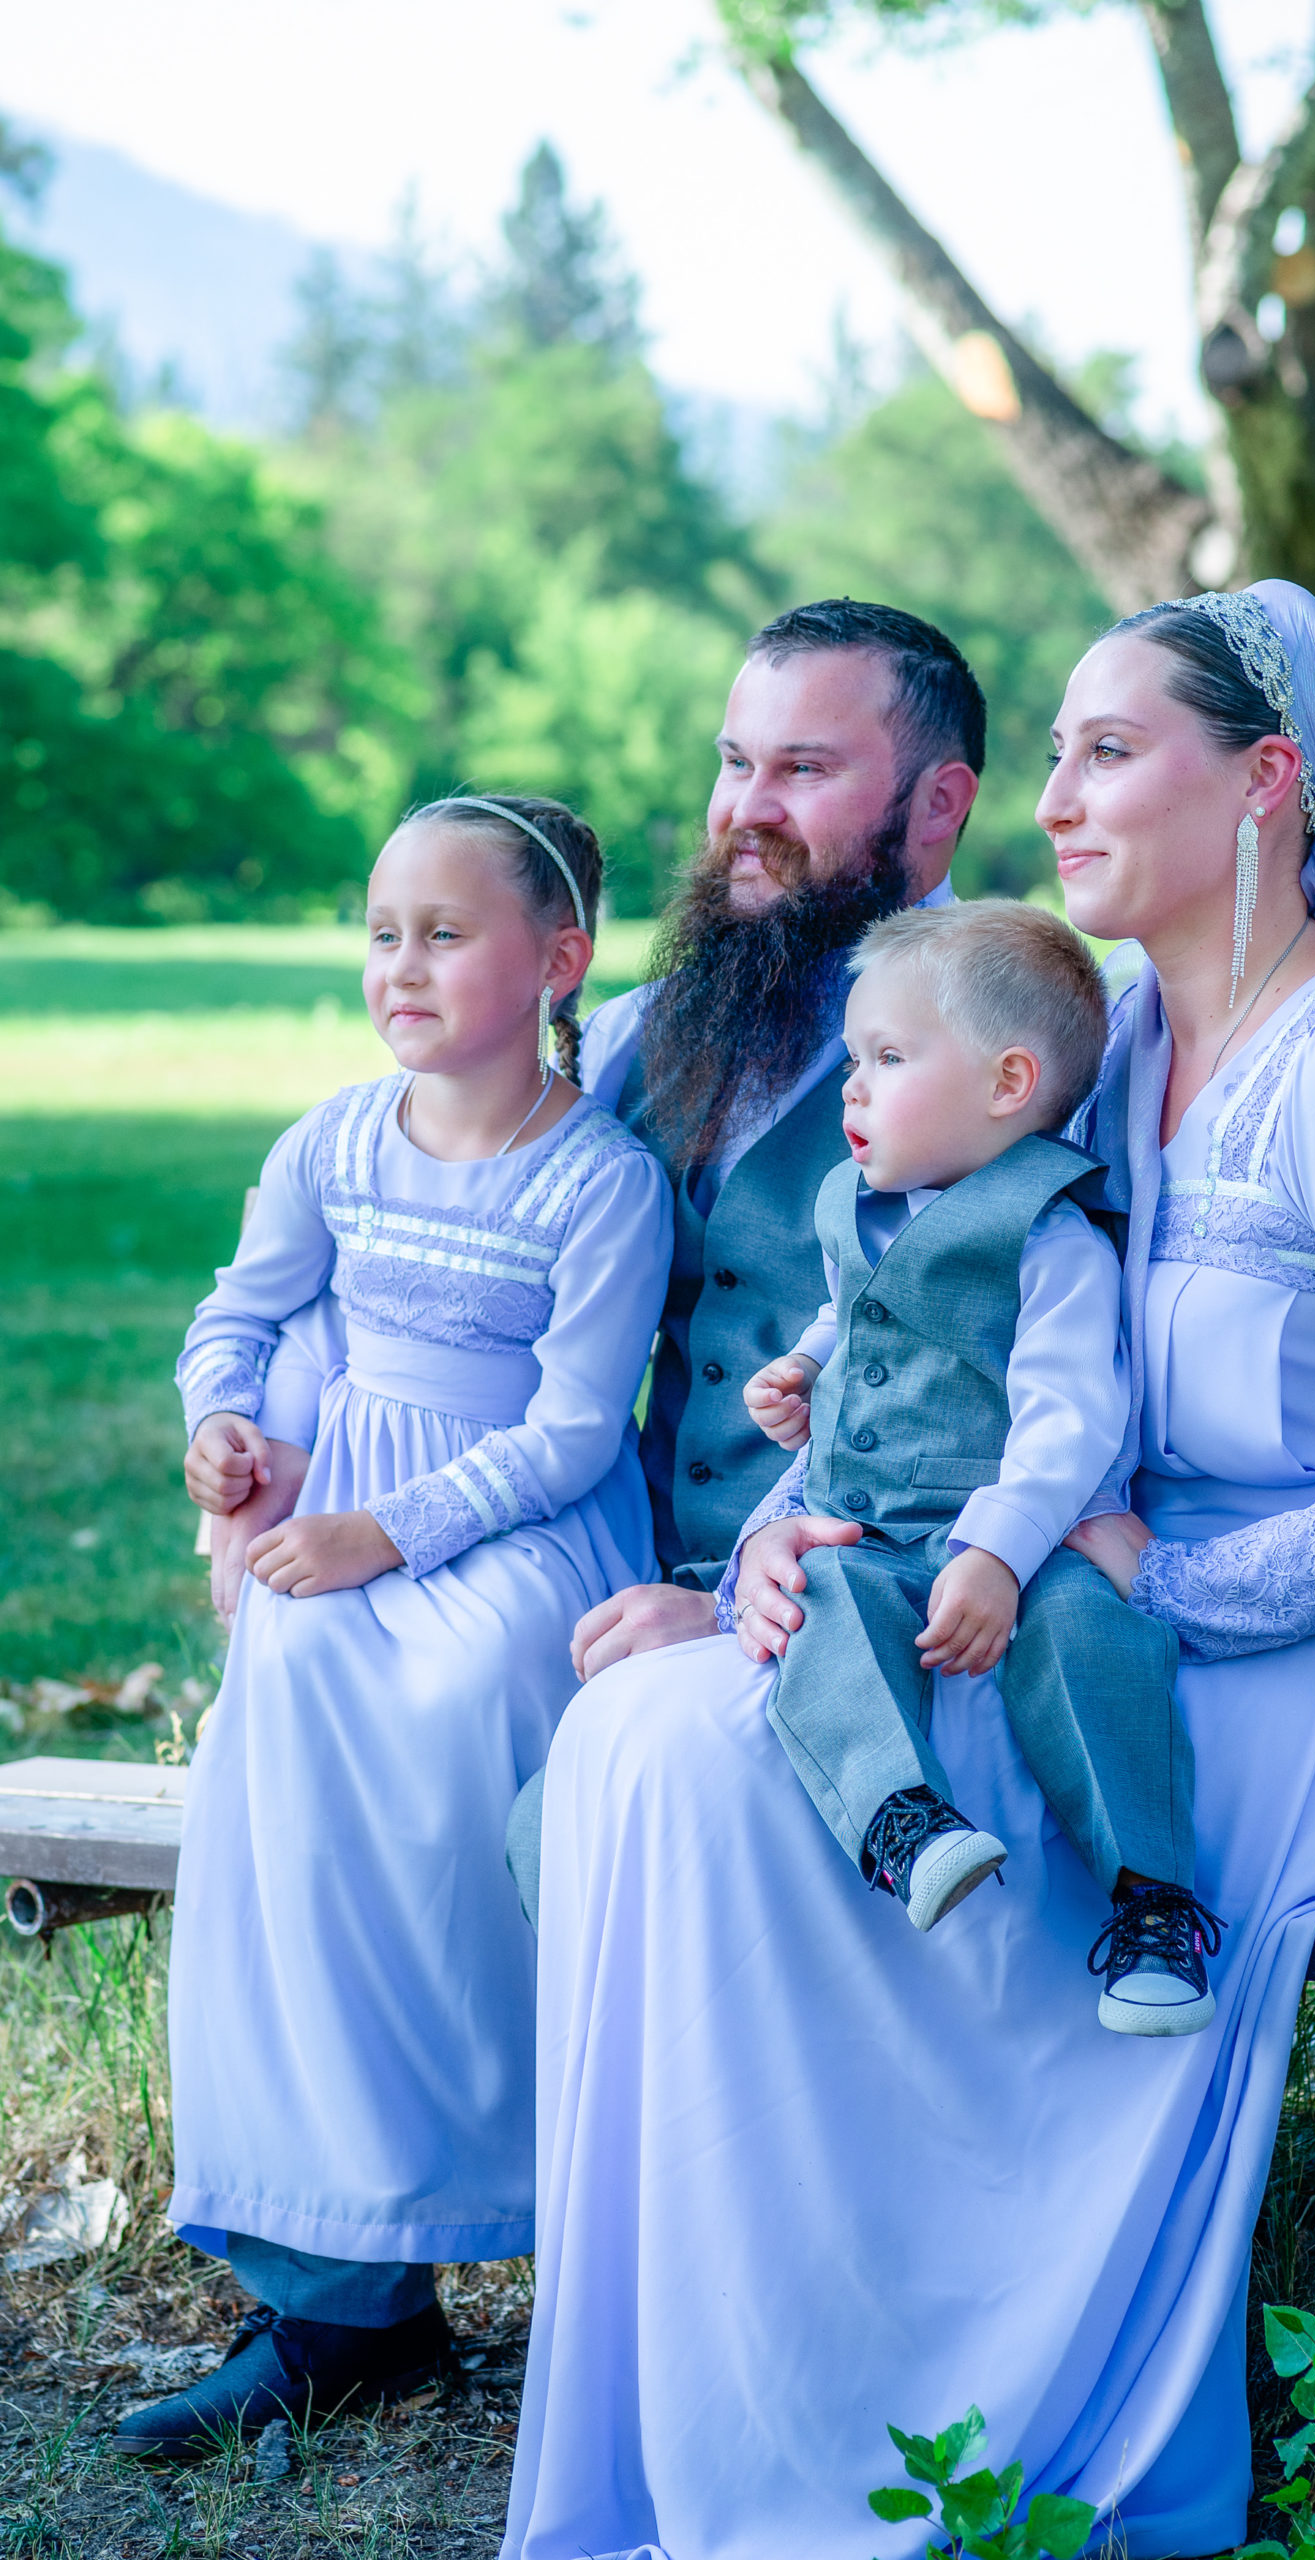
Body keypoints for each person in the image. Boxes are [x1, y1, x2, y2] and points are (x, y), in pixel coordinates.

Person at [499, 585, 1315, 2560]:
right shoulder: (1112, 1040)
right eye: (1057, 750)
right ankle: (763, 2396)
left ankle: (941, 2415)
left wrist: (1187, 1585)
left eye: (1104, 750)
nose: (1053, 797)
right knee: (657, 1733)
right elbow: (927, 1337)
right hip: (1078, 1610)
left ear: (1262, 781)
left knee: (729, 1769)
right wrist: (771, 1543)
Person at [120, 794, 672, 2462]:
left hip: (505, 1538)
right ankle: (333, 2283)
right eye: (380, 933)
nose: (401, 965)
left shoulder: (600, 1178)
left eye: (444, 933)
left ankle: (512, 2195)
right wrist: (224, 1431)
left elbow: (577, 1429)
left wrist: (389, 1531)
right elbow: (247, 1310)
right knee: (283, 1697)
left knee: (452, 1709)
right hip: (333, 1526)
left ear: (556, 959)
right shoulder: (334, 1143)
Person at [502, 599, 986, 1913]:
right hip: (620, 1567)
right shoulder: (630, 1038)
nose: (745, 811)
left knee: (616, 1799)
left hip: (874, 1608)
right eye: (734, 762)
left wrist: (721, 1608)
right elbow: (471, 1253)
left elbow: (985, 1402)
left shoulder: (1011, 1049)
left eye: (804, 770)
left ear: (937, 807)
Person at [738, 900, 1206, 2031]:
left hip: (1018, 1528)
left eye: (888, 1058)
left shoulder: (1046, 1236)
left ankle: (1152, 1901)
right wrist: (804, 1365)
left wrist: (997, 1552)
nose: (852, 1086)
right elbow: (851, 1310)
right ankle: (904, 1822)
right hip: (872, 1525)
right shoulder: (861, 1204)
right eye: (853, 1058)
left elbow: (1067, 1415)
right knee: (823, 1605)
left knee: (1089, 1630)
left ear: (1006, 1084)